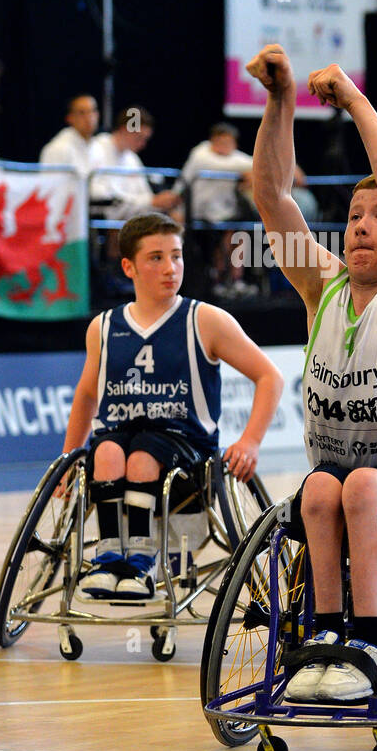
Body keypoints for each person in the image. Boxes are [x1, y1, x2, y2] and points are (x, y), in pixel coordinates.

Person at [247, 43, 377, 704]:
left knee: (360, 486)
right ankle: (327, 636)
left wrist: (355, 101)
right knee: (318, 490)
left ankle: (368, 641)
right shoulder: (323, 291)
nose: (362, 228)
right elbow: (272, 194)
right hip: (340, 484)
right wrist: (280, 103)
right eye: (352, 219)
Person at [60, 211, 284, 601]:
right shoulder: (104, 326)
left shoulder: (205, 320)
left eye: (176, 256)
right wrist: (66, 458)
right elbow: (86, 396)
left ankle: (142, 562)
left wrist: (250, 440)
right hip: (121, 436)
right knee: (108, 451)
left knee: (144, 456)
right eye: (156, 258)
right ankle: (111, 557)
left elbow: (270, 376)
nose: (170, 267)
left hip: (185, 448)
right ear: (128, 266)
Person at [174, 123, 255, 295]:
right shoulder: (200, 154)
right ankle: (217, 280)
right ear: (211, 141)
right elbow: (243, 165)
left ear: (234, 145)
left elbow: (253, 165)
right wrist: (250, 171)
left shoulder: (238, 159)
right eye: (220, 142)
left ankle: (235, 280)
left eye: (228, 143)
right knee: (222, 239)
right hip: (198, 214)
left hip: (226, 214)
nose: (223, 147)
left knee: (237, 236)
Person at [88, 106, 180, 222]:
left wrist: (162, 203)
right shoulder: (96, 149)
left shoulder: (132, 158)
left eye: (145, 139)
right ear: (124, 129)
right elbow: (101, 197)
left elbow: (145, 195)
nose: (143, 144)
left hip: (130, 221)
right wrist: (150, 201)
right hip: (106, 222)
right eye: (139, 138)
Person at [39, 95, 100, 175]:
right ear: (70, 118)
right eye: (82, 113)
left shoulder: (98, 148)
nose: (89, 117)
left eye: (93, 111)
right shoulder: (58, 149)